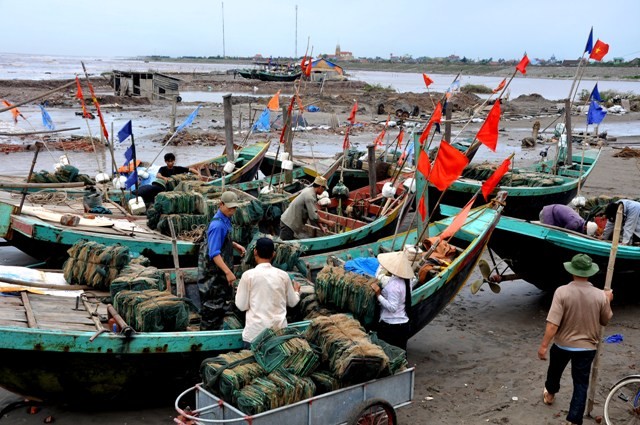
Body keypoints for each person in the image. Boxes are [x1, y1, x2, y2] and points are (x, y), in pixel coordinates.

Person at [537, 253, 613, 425]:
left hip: (562, 344)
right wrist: (608, 301)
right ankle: (574, 420)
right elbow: (605, 320)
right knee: (580, 384)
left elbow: (552, 324)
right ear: (590, 272)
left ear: (572, 271)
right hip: (587, 348)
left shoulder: (562, 292)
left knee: (554, 372)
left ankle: (550, 394)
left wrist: (543, 346)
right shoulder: (600, 295)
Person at [235, 237, 301, 347]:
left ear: (255, 252)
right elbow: (292, 302)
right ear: (273, 254)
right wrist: (297, 292)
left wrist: (239, 292)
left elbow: (242, 306)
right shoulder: (283, 275)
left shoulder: (248, 276)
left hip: (254, 336)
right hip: (278, 335)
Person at [197, 191, 247, 330]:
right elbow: (214, 253)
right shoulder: (217, 226)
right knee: (212, 306)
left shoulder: (224, 219)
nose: (232, 211)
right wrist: (228, 272)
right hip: (213, 275)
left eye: (234, 208)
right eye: (229, 207)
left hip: (218, 272)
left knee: (220, 305)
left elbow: (221, 240)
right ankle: (207, 336)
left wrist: (234, 245)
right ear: (221, 204)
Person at [370, 251, 413, 351]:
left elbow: (393, 308)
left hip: (391, 326)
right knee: (401, 353)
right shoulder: (408, 280)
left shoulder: (395, 285)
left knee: (387, 353)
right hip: (403, 323)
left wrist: (378, 295)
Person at [279, 176, 333, 240]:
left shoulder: (309, 190)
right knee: (285, 245)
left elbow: (313, 213)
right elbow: (314, 217)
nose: (324, 190)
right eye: (324, 189)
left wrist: (322, 227)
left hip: (288, 222)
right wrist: (328, 222)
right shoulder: (310, 196)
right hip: (288, 224)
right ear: (320, 187)